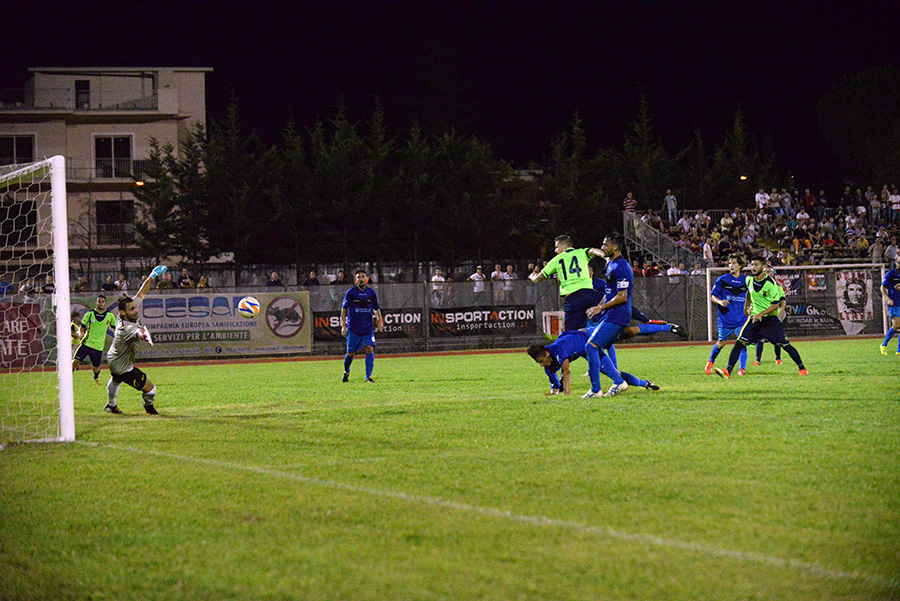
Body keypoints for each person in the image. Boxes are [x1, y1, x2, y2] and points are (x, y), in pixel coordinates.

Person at [715, 256, 807, 379]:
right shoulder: (749, 280)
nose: (753, 268)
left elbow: (775, 305)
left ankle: (802, 368)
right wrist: (746, 307)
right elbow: (748, 292)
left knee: (784, 345)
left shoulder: (771, 284)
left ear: (763, 267)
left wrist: (760, 314)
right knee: (739, 342)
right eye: (752, 265)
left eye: (756, 265)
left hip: (770, 320)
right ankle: (728, 371)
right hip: (754, 320)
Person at [104, 265, 167, 414]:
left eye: (134, 307)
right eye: (132, 309)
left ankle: (111, 405)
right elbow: (138, 332)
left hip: (114, 358)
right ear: (123, 312)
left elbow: (142, 292)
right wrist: (145, 335)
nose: (136, 310)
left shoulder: (126, 312)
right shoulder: (125, 327)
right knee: (151, 390)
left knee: (116, 380)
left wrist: (152, 275)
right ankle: (148, 406)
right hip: (123, 366)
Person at [527, 327, 658, 397]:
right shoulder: (547, 360)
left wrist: (566, 395)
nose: (541, 365)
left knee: (611, 371)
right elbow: (554, 382)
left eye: (542, 361)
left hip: (588, 338)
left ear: (546, 353)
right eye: (539, 362)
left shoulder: (558, 350)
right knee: (610, 372)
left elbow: (567, 372)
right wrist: (553, 392)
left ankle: (638, 383)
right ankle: (645, 383)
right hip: (581, 345)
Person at [583, 234, 633, 397]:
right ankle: (616, 382)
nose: (603, 247)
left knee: (591, 346)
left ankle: (600, 388)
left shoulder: (622, 267)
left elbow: (622, 296)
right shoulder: (610, 263)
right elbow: (610, 292)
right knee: (595, 347)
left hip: (619, 315)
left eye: (606, 245)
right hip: (611, 313)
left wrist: (600, 308)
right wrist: (598, 307)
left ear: (616, 248)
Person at [529, 234, 604, 331]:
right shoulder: (581, 252)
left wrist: (532, 276)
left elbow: (538, 279)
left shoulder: (556, 260)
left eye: (556, 247)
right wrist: (606, 257)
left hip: (573, 299)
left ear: (564, 247)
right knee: (613, 303)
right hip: (589, 294)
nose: (555, 250)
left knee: (570, 333)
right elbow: (594, 251)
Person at [705, 254, 749, 375]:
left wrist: (750, 306)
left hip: (741, 318)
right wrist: (720, 301)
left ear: (740, 265)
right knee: (721, 343)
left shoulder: (746, 280)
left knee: (742, 343)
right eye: (730, 263)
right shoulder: (723, 279)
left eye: (734, 263)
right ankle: (711, 361)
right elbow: (713, 296)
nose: (731, 266)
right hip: (726, 318)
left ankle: (741, 369)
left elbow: (751, 296)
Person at [340, 270, 385, 383]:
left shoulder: (371, 293)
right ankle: (346, 372)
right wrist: (343, 325)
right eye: (358, 277)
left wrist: (379, 320)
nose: (361, 278)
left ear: (366, 278)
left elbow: (376, 308)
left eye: (363, 276)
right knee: (350, 353)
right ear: (356, 280)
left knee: (369, 348)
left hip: (367, 328)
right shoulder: (350, 293)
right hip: (353, 328)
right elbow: (344, 309)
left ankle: (368, 377)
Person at [72, 294, 117, 385]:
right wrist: (81, 333)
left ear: (105, 303)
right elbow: (82, 326)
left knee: (95, 369)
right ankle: (67, 381)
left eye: (103, 301)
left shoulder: (110, 315)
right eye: (99, 301)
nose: (101, 303)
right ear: (96, 302)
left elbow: (114, 328)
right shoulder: (90, 314)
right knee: (75, 362)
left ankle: (96, 377)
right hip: (86, 343)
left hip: (98, 347)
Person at [880, 266, 900, 355]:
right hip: (894, 303)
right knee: (896, 325)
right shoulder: (891, 274)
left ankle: (899, 350)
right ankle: (884, 344)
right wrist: (888, 299)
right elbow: (882, 287)